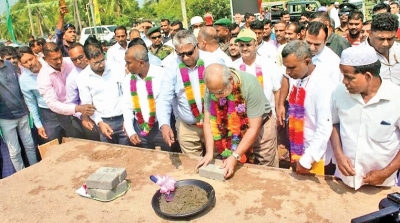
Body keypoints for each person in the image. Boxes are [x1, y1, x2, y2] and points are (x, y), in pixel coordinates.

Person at [331, 45, 400, 190]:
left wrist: (384, 173)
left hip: (381, 185)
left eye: (349, 77)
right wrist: (338, 154)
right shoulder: (339, 92)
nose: (344, 82)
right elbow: (334, 124)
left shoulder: (396, 98)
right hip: (344, 180)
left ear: (368, 76)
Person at [196, 64, 279, 179]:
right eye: (212, 93)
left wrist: (235, 156)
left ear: (230, 80)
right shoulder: (212, 88)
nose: (216, 96)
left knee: (265, 165)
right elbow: (207, 122)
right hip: (231, 126)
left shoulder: (250, 85)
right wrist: (209, 152)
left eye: (219, 92)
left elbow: (253, 128)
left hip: (260, 126)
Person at [156, 30, 223, 156]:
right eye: (180, 54)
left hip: (215, 123)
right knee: (192, 165)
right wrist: (164, 124)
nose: (185, 58)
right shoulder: (171, 67)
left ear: (197, 45)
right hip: (187, 127)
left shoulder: (214, 61)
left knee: (217, 163)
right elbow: (164, 98)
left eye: (189, 53)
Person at [282, 40, 334, 175]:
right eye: (286, 67)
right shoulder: (298, 78)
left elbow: (324, 128)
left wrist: (307, 160)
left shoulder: (322, 84)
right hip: (298, 149)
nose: (288, 72)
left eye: (292, 68)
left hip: (315, 157)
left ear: (307, 61)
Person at [122, 45, 174, 151]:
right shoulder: (128, 80)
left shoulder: (162, 75)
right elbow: (127, 106)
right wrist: (131, 131)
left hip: (162, 128)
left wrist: (165, 126)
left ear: (141, 63)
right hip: (139, 129)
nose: (126, 66)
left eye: (128, 62)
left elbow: (167, 103)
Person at [37, 42, 94, 139]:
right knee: (77, 139)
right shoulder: (43, 78)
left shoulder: (70, 62)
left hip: (84, 106)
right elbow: (53, 104)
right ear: (45, 59)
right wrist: (77, 108)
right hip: (64, 112)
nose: (59, 61)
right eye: (55, 59)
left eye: (60, 57)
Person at [77, 42, 128, 145]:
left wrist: (128, 119)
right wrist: (100, 123)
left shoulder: (117, 68)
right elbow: (88, 105)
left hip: (123, 119)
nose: (101, 65)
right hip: (103, 122)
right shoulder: (82, 77)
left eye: (102, 60)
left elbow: (126, 94)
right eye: (96, 63)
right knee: (108, 155)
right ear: (87, 60)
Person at [0, 47, 38, 171]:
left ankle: (35, 170)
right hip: (5, 118)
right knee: (15, 151)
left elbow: (19, 85)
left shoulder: (9, 65)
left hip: (22, 114)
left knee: (30, 145)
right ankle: (22, 176)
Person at [18, 46, 62, 144]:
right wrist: (39, 125)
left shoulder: (50, 64)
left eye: (31, 59)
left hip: (66, 109)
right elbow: (31, 103)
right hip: (48, 114)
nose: (30, 63)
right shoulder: (24, 79)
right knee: (53, 143)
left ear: (35, 56)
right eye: (25, 62)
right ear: (20, 64)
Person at [233, 29, 281, 116]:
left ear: (255, 45)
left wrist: (278, 113)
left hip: (267, 117)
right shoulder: (233, 67)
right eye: (241, 45)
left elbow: (277, 90)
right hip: (243, 118)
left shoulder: (268, 64)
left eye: (248, 45)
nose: (244, 48)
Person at [66, 42, 100, 141]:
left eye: (80, 57)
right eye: (74, 60)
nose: (78, 61)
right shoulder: (72, 78)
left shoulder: (99, 66)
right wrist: (82, 116)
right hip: (91, 118)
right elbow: (71, 103)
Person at [361, 13, 400, 85]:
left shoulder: (398, 49)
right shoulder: (359, 55)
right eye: (381, 39)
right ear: (370, 34)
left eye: (390, 39)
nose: (386, 44)